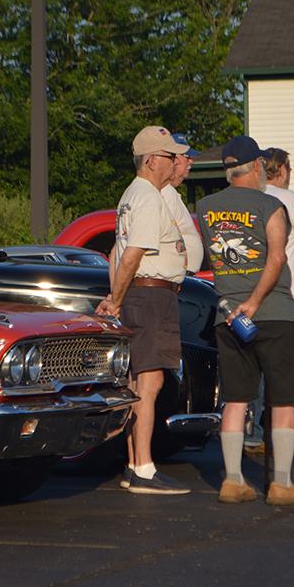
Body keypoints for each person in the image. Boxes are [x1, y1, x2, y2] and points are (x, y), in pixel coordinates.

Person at [198, 135, 294, 506]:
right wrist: (255, 301)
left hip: (227, 314)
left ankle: (233, 480)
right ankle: (281, 483)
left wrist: (239, 302)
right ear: (254, 168)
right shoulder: (270, 205)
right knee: (283, 399)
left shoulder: (204, 206)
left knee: (235, 399)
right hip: (274, 312)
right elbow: (277, 258)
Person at [96, 125, 191, 494]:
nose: (175, 162)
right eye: (169, 156)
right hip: (151, 296)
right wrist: (116, 299)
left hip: (139, 294)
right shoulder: (150, 197)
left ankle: (135, 463)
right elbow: (132, 254)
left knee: (137, 384)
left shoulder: (130, 195)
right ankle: (144, 471)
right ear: (152, 161)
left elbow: (115, 254)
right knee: (149, 383)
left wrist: (116, 295)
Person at [242, 148, 294, 460]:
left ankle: (252, 434)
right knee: (285, 371)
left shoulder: (250, 198)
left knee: (255, 369)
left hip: (251, 293)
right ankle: (285, 437)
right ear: (284, 170)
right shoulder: (288, 200)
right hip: (286, 295)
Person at [161, 134, 204, 275]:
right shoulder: (164, 193)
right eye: (186, 156)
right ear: (173, 159)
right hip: (177, 275)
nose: (191, 161)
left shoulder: (168, 191)